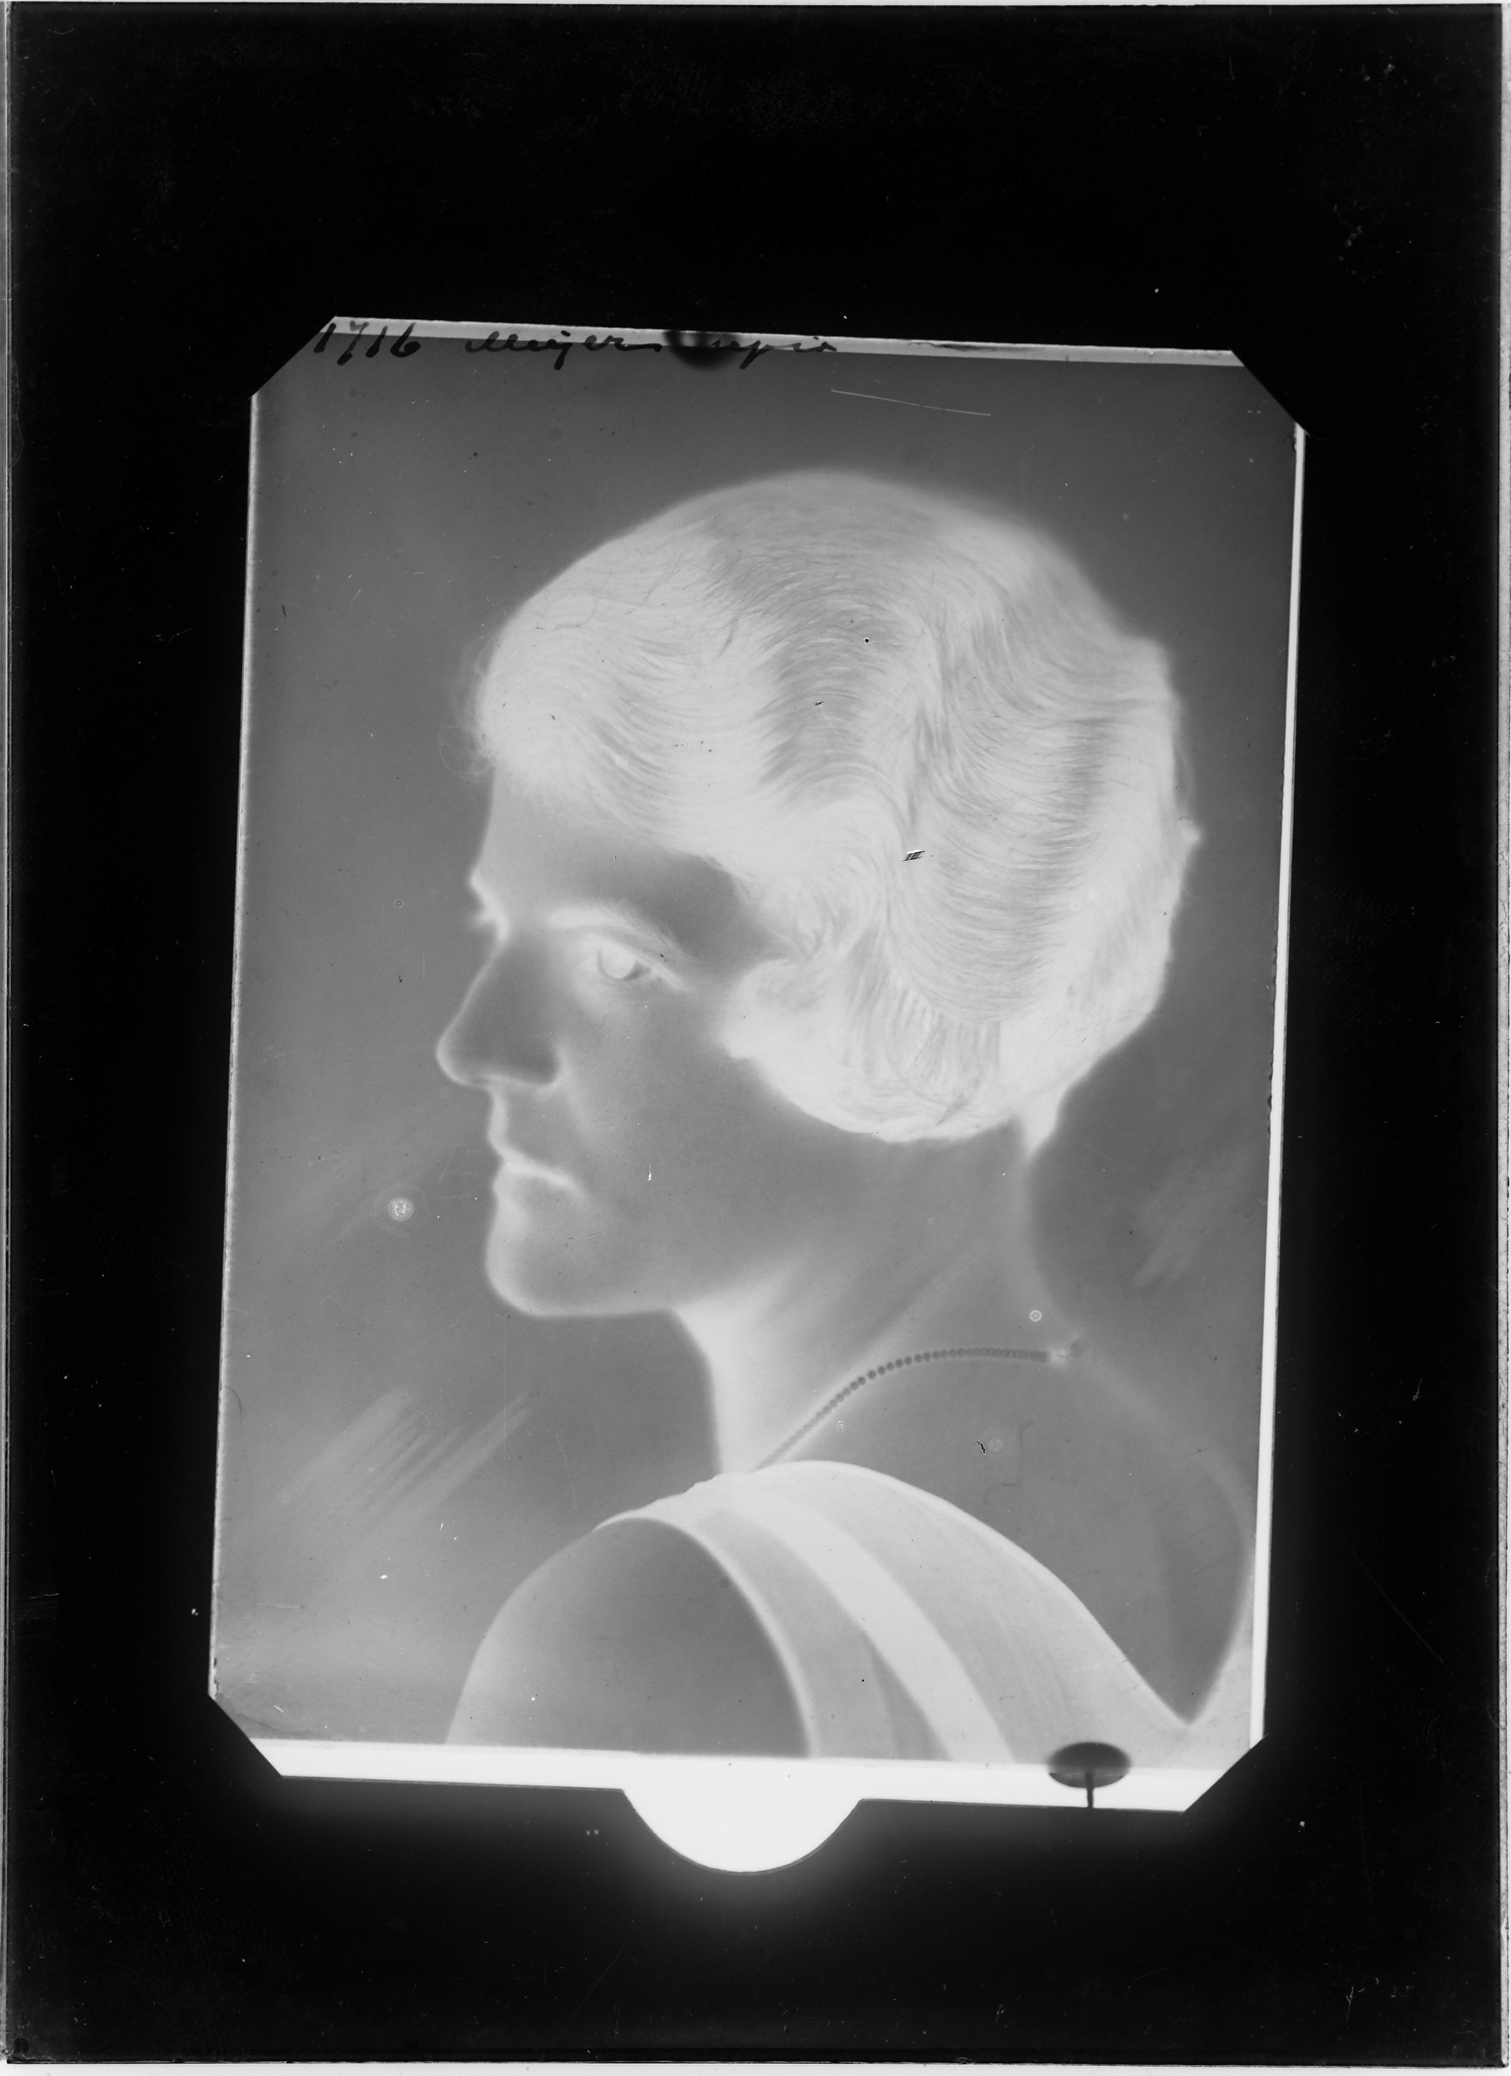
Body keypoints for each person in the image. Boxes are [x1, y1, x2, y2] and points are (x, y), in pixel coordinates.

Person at [436, 470, 1249, 1767]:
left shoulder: (647, 1627)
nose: (477, 1045)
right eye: (498, 926)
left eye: (620, 964)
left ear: (908, 997)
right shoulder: (1192, 1501)